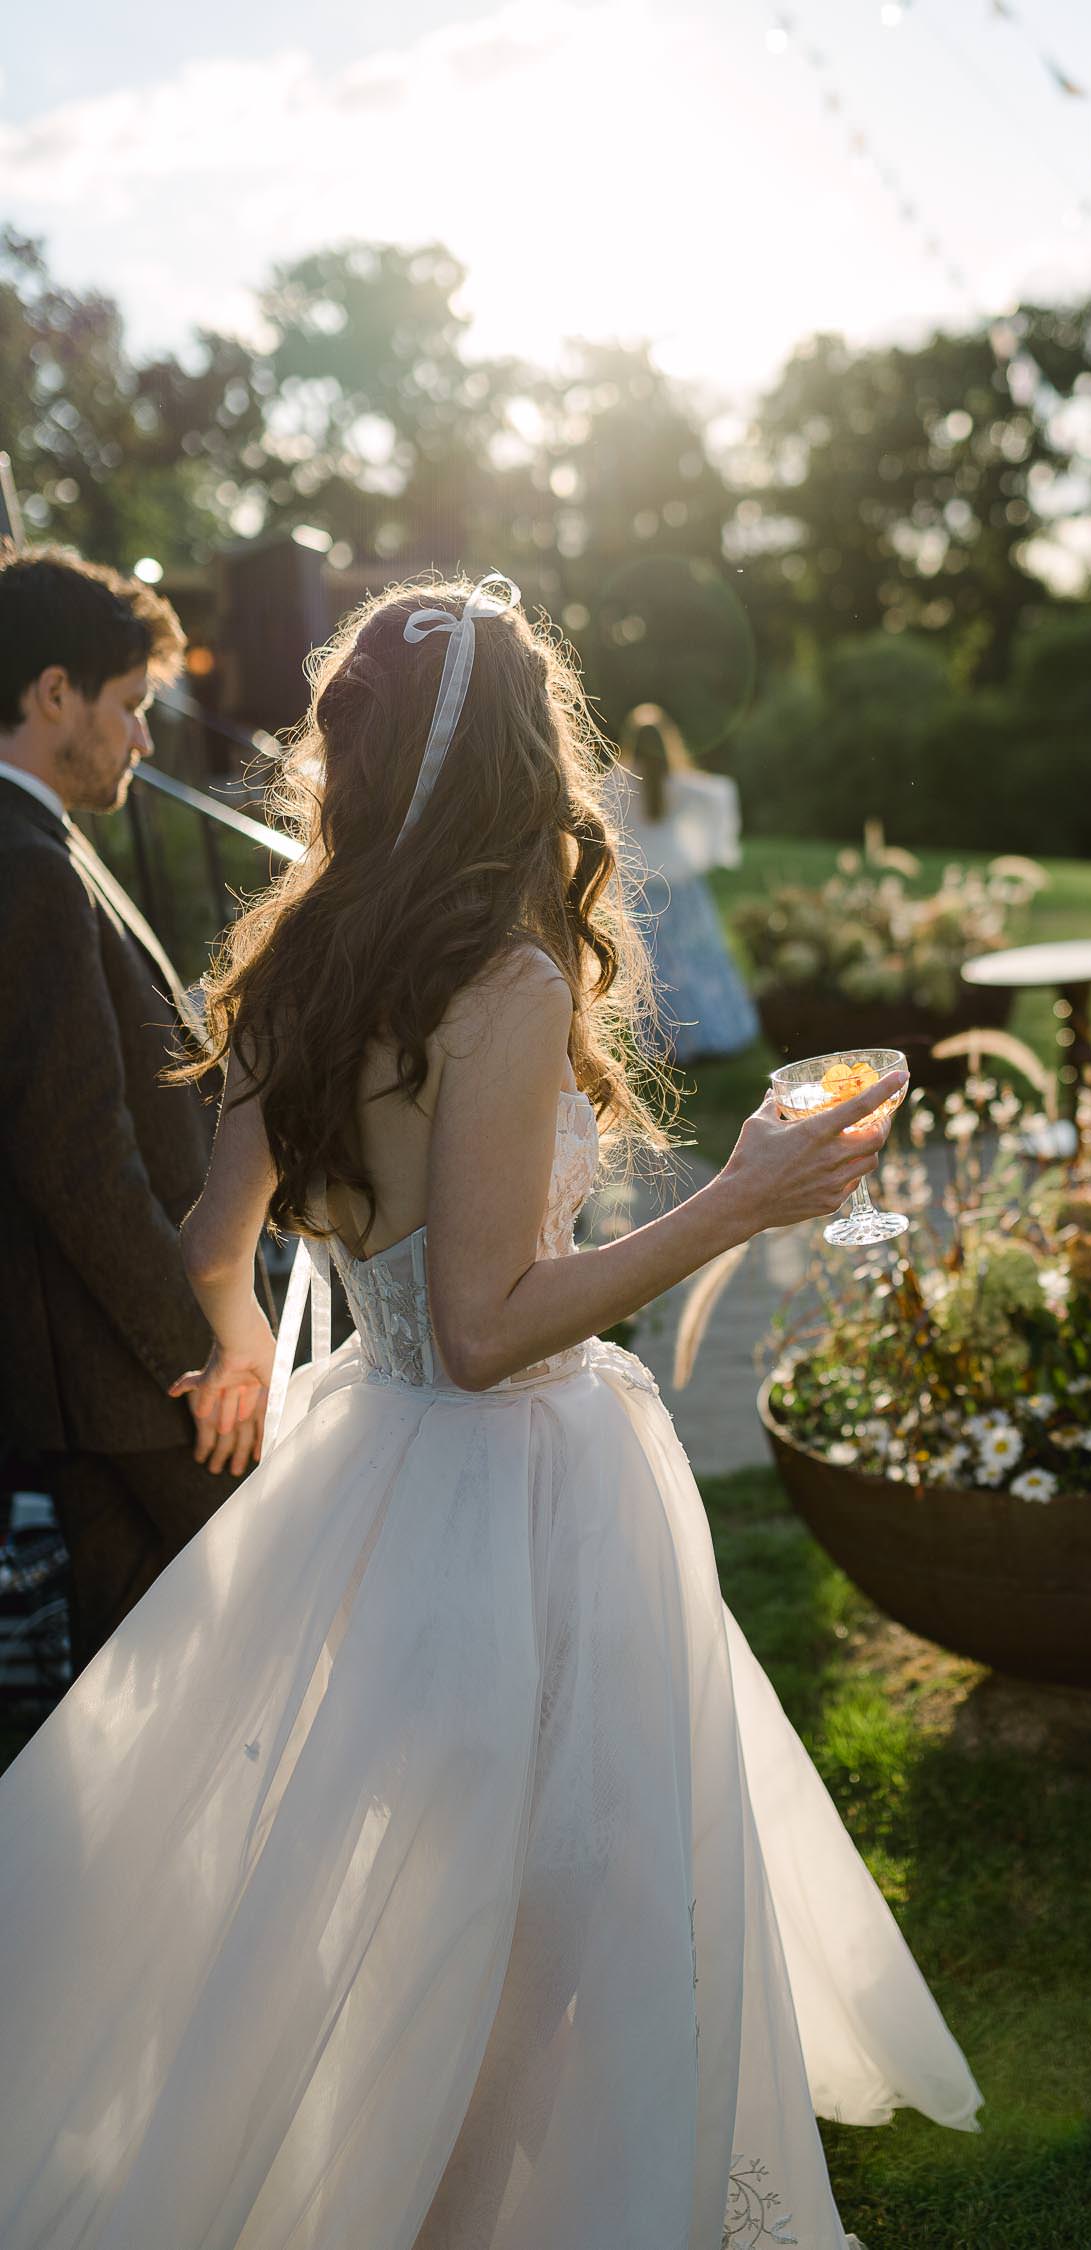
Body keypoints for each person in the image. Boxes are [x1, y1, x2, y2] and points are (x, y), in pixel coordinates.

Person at [0, 571, 980, 2248]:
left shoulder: (296, 955)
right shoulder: (507, 984)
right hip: (521, 1480)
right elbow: (482, 1331)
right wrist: (733, 1200)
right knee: (569, 1895)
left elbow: (209, 1247)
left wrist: (241, 1353)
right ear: (528, 758)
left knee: (410, 1876)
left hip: (357, 1465)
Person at [0, 547, 253, 1674]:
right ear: (53, 694)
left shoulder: (44, 844)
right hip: (121, 1374)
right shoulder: (26, 866)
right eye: (131, 708)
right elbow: (75, 1153)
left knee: (147, 1690)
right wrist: (193, 1355)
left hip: (111, 1372)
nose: (145, 741)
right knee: (245, 1647)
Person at [616, 701, 759, 1063]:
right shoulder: (685, 785)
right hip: (681, 888)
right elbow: (722, 795)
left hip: (643, 891)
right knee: (696, 960)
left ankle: (667, 1045)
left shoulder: (618, 784)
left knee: (655, 970)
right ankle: (710, 1036)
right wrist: (717, 848)